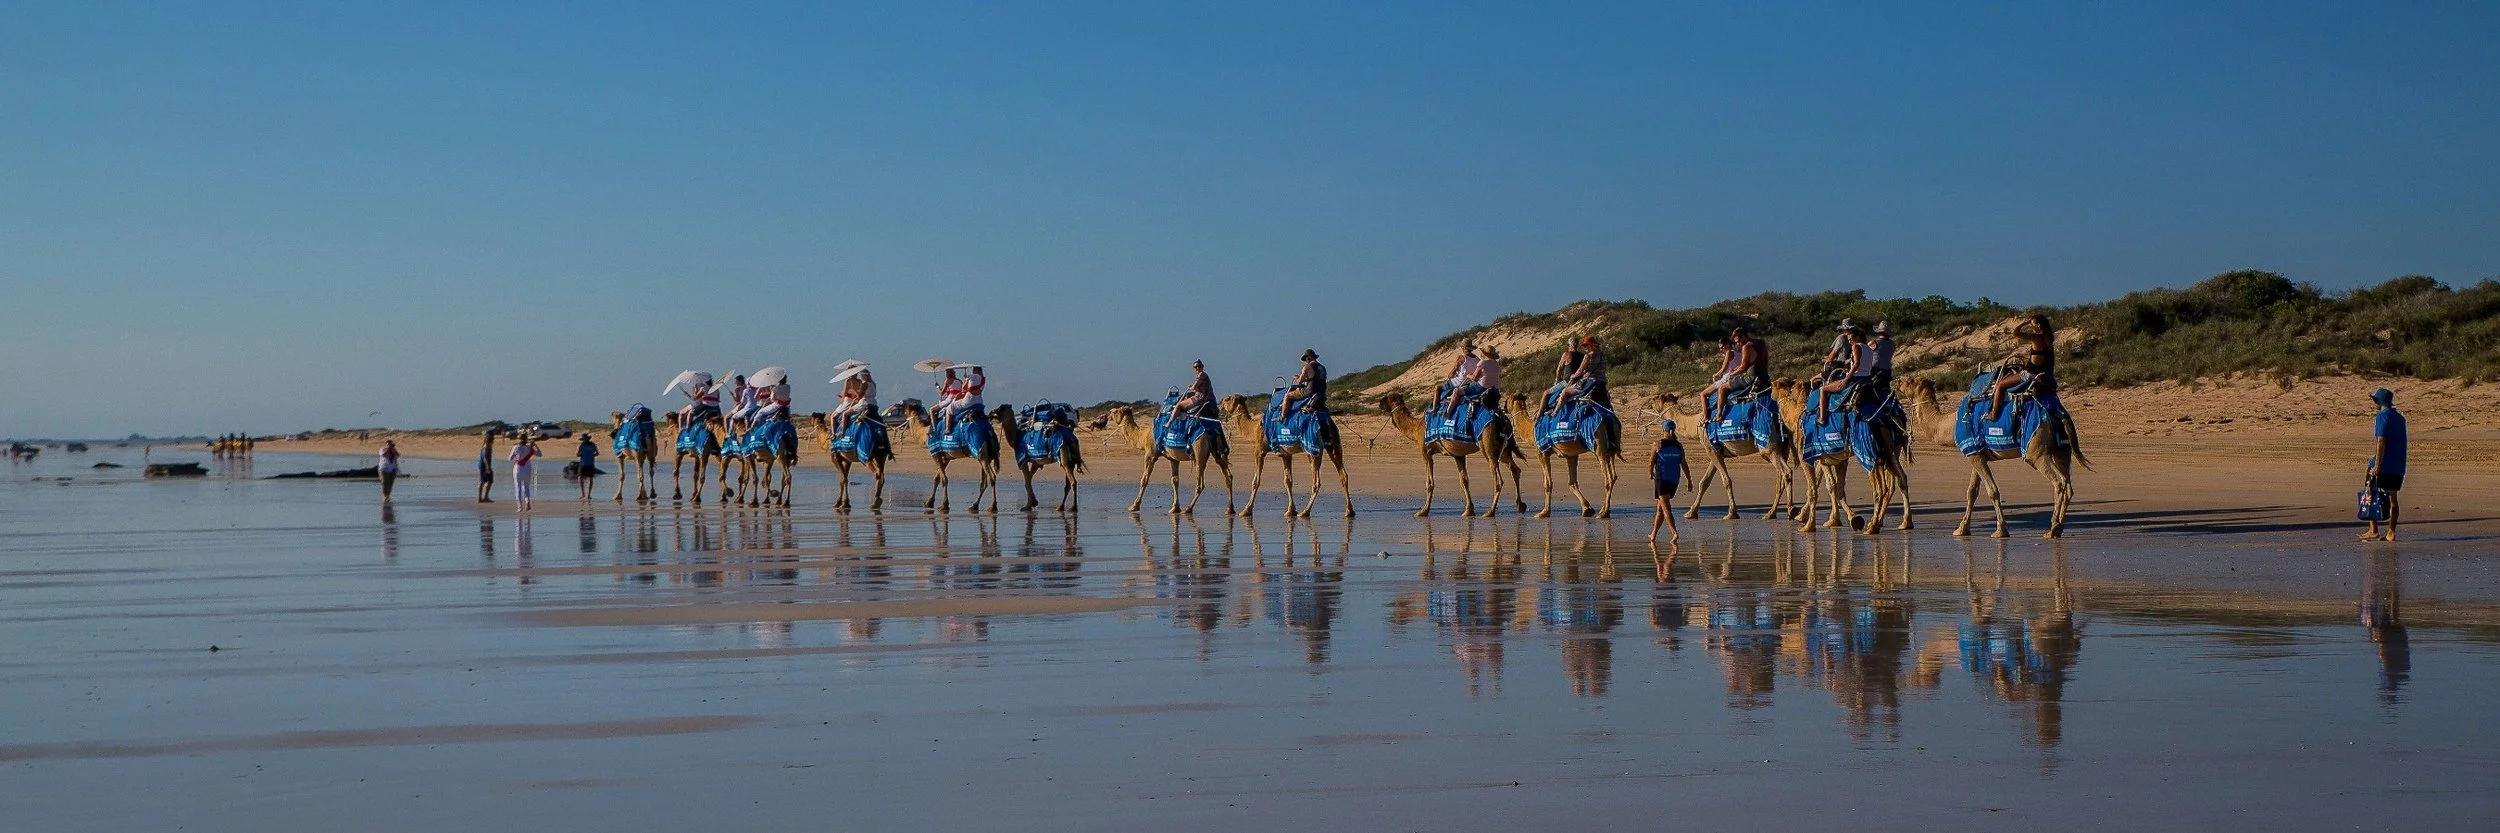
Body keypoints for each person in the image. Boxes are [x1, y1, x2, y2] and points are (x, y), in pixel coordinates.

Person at [1987, 314, 2056, 420]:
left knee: (2000, 385)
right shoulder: (2049, 339)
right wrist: (2024, 356)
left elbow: (2016, 333)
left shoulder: (2036, 338)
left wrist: (2025, 323)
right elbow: (2040, 356)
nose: (2031, 327)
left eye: (2032, 324)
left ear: (2038, 325)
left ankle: (1993, 414)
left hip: (2031, 374)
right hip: (2045, 372)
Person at [2363, 388, 2407, 542]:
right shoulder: (2400, 418)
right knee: (2393, 498)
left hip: (2384, 464)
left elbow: (2381, 440)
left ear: (2378, 402)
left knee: (2370, 493)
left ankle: (2373, 529)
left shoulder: (2382, 416)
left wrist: (2377, 465)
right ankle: (2391, 531)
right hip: (2399, 465)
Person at [1649, 420, 1692, 545]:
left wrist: (1650, 473)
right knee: (1660, 508)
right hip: (1674, 480)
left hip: (1661, 479)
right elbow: (1684, 464)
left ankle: (1674, 532)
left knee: (1666, 508)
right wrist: (1689, 480)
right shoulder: (1679, 446)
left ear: (1664, 430)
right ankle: (1653, 534)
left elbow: (1651, 462)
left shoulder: (1658, 444)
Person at [1818, 325, 1870, 420]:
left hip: (1854, 380)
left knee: (1823, 389)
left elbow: (1856, 364)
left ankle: (1821, 418)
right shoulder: (1868, 348)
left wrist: (1846, 379)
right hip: (1866, 379)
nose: (1850, 342)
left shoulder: (1856, 346)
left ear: (1857, 338)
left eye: (1851, 339)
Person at [1436, 342, 1482, 418]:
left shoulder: (1461, 358)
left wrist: (1450, 375)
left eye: (1462, 347)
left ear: (1464, 348)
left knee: (1438, 388)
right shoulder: (1477, 359)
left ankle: (1436, 409)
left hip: (1460, 381)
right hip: (1471, 382)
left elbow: (1452, 372)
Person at [1564, 335, 1610, 407]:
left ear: (1590, 346)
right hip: (1602, 381)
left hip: (1589, 381)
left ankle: (1555, 412)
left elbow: (1580, 371)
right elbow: (1604, 368)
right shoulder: (1603, 355)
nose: (1584, 347)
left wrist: (1573, 376)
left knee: (1565, 392)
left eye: (1585, 346)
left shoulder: (1588, 356)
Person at [1284, 349, 1329, 416]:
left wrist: (1296, 378)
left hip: (1310, 392)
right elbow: (1315, 378)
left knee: (1287, 396)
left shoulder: (1307, 367)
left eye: (1305, 359)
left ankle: (1282, 416)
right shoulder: (1323, 367)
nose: (1305, 361)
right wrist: (1306, 379)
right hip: (1321, 392)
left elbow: (1299, 381)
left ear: (1308, 358)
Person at [509, 435, 539, 511]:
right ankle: (527, 501)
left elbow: (510, 458)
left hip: (518, 468)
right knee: (526, 487)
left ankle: (519, 507)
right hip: (527, 468)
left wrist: (516, 456)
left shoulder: (516, 447)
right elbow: (540, 454)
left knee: (518, 488)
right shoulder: (529, 448)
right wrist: (535, 446)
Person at [575, 434, 599, 500]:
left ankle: (585, 494)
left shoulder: (582, 445)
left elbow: (577, 454)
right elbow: (597, 453)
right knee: (587, 479)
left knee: (582, 478)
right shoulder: (592, 444)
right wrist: (592, 455)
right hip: (589, 463)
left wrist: (583, 455)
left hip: (584, 463)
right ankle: (586, 494)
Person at [476, 430, 496, 503]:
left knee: (483, 481)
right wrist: (488, 466)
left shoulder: (487, 445)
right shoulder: (486, 445)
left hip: (483, 465)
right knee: (488, 481)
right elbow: (484, 457)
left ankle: (482, 498)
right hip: (484, 465)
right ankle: (484, 497)